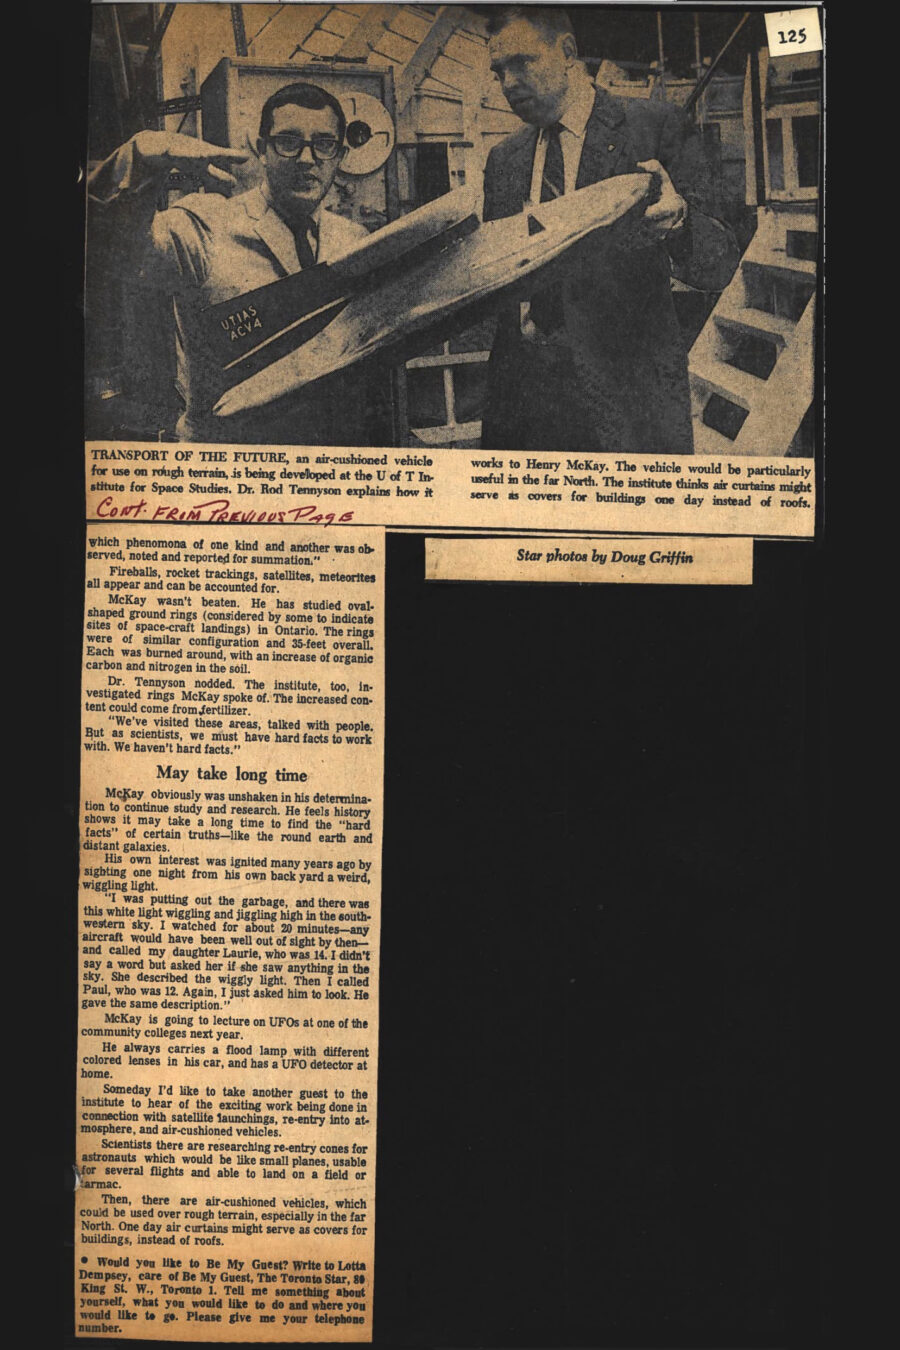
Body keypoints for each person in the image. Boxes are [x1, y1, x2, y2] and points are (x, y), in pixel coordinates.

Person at [480, 6, 740, 455]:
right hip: (526, 406)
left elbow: (720, 265)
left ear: (567, 52)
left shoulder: (655, 128)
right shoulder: (504, 161)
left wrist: (679, 223)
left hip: (628, 405)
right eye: (498, 71)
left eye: (522, 62)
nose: (508, 83)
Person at [87, 82, 372, 444]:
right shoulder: (206, 223)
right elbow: (107, 250)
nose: (306, 158)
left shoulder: (354, 239)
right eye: (287, 141)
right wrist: (139, 158)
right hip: (225, 458)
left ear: (340, 155)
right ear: (261, 149)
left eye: (323, 144)